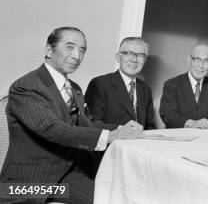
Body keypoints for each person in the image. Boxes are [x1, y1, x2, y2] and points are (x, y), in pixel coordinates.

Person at [0, 27, 142, 204]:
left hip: (66, 175)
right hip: (28, 182)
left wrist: (120, 128)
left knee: (115, 198)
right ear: (49, 50)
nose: (77, 56)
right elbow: (51, 128)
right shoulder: (26, 86)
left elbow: (84, 126)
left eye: (82, 50)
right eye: (70, 47)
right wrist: (110, 136)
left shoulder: (74, 88)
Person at [85, 37, 156, 130]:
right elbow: (91, 124)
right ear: (118, 57)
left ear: (145, 61)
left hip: (139, 143)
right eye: (128, 53)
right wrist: (121, 129)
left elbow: (149, 126)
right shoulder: (100, 84)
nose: (134, 60)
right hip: (112, 143)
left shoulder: (145, 89)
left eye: (140, 55)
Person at [159, 44, 208, 129]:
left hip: (206, 137)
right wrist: (191, 123)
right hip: (179, 137)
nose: (201, 66)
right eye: (197, 59)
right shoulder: (172, 84)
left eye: (206, 61)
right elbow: (168, 115)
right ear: (189, 60)